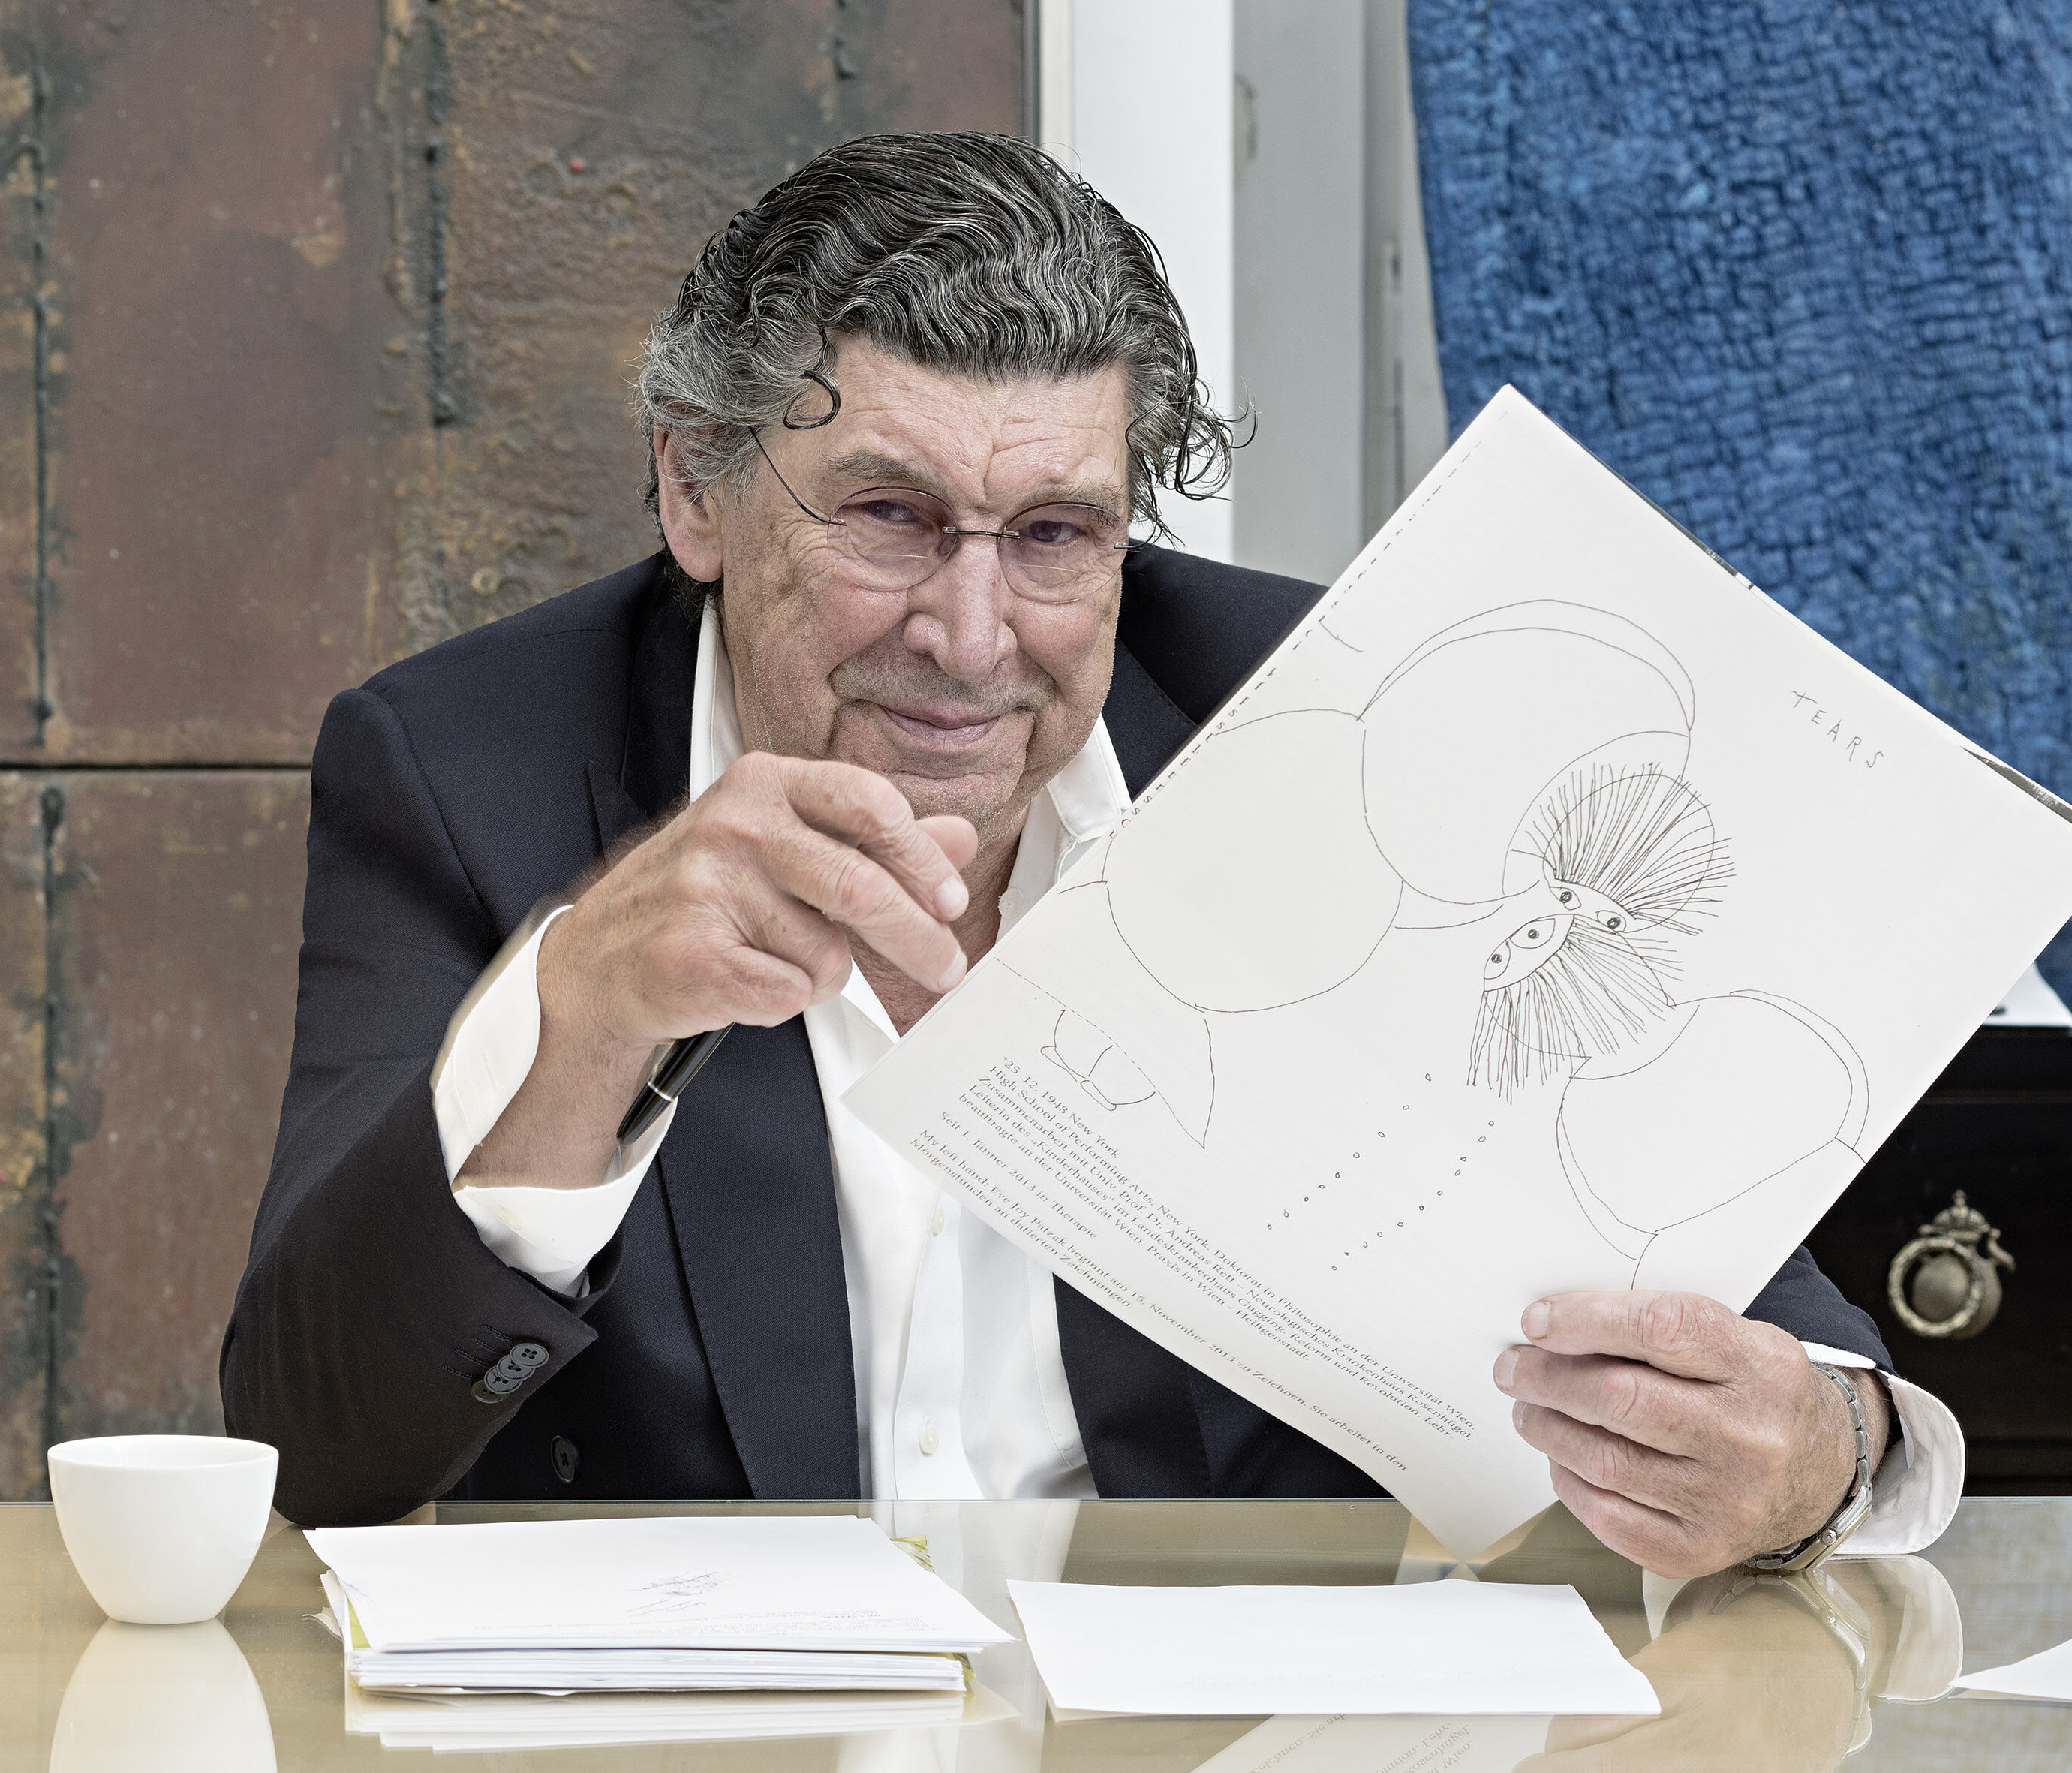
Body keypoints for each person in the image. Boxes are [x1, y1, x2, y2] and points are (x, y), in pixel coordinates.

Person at [221, 131, 1962, 1578]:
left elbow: (1782, 1344)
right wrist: (581, 1011)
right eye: (887, 515)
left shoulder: (1330, 725)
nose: (971, 637)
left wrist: (1816, 1451)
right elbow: (307, 1440)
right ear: (695, 491)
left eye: (1055, 533)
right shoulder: (466, 770)